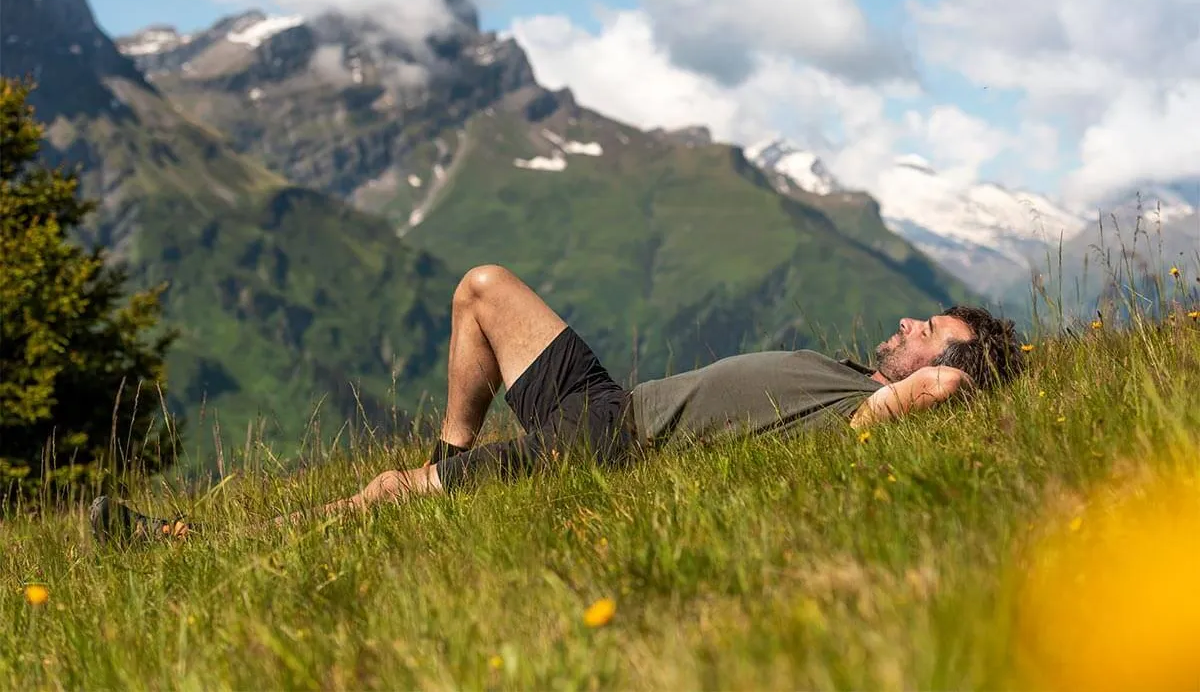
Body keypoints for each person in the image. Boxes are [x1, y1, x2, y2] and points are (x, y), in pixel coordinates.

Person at [89, 264, 1026, 543]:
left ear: (946, 367)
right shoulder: (842, 372)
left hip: (610, 445)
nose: (907, 323)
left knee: (382, 491)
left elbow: (946, 388)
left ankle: (184, 541)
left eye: (928, 327)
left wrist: (961, 370)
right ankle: (455, 466)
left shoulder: (873, 414)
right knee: (481, 289)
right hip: (606, 403)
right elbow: (934, 373)